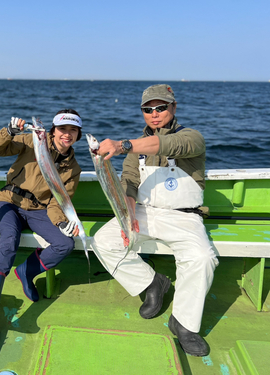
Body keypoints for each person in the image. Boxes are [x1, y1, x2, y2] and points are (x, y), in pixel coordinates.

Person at [91, 84, 218, 356]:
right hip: (144, 212)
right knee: (103, 241)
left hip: (184, 216)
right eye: (148, 109)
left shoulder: (191, 137)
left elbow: (169, 144)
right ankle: (152, 283)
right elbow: (129, 183)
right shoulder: (137, 148)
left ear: (173, 107)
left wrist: (123, 145)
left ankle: (184, 324)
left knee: (201, 258)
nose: (154, 114)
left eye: (161, 107)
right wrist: (127, 216)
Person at [0, 109, 83, 326]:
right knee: (8, 241)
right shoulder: (32, 141)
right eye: (63, 129)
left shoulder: (73, 168)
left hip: (39, 210)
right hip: (10, 202)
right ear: (53, 131)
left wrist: (61, 222)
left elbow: (58, 201)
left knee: (65, 243)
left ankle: (26, 271)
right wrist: (9, 131)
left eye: (73, 130)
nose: (67, 134)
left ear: (78, 135)